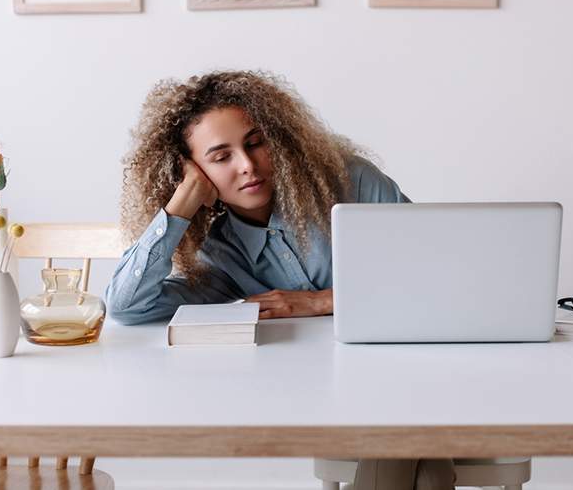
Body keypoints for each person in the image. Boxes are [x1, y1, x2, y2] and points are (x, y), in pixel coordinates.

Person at [105, 70, 455, 490]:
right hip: (320, 397)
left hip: (414, 370)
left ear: (279, 139)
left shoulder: (353, 182)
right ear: (194, 172)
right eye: (220, 157)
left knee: (423, 463)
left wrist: (322, 301)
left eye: (255, 143)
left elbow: (435, 276)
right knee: (429, 472)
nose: (247, 166)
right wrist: (181, 204)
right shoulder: (222, 255)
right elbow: (127, 307)